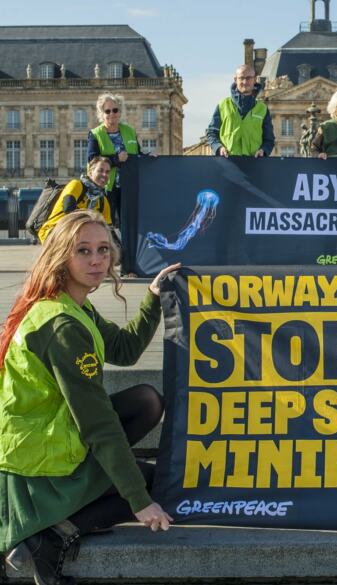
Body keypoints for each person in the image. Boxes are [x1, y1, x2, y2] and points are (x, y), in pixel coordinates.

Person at [0, 210, 179, 585]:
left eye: (103, 249)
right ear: (61, 257)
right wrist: (139, 502)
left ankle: (58, 519)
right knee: (149, 484)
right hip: (38, 469)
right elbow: (98, 424)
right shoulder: (63, 327)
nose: (97, 259)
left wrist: (151, 297)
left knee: (147, 400)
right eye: (83, 251)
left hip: (42, 442)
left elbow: (125, 350)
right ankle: (50, 535)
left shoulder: (71, 303)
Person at [87, 93, 154, 227]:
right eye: (108, 111)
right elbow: (92, 160)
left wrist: (149, 157)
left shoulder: (129, 131)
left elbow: (137, 154)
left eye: (115, 110)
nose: (112, 113)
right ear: (102, 113)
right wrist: (116, 159)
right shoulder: (95, 134)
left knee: (129, 224)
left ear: (120, 111)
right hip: (106, 187)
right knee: (106, 224)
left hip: (128, 186)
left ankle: (127, 248)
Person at [38, 157, 113, 244]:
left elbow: (109, 231)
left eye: (107, 172)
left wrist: (121, 251)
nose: (104, 174)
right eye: (100, 170)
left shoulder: (102, 201)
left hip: (76, 236)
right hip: (53, 232)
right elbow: (68, 209)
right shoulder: (76, 185)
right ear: (90, 172)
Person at [206, 64, 275, 159]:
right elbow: (212, 133)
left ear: (255, 80)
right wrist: (219, 148)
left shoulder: (262, 109)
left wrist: (263, 150)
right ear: (235, 80)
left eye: (248, 78)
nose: (245, 81)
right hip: (228, 163)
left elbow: (269, 139)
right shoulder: (223, 105)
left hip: (254, 164)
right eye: (241, 78)